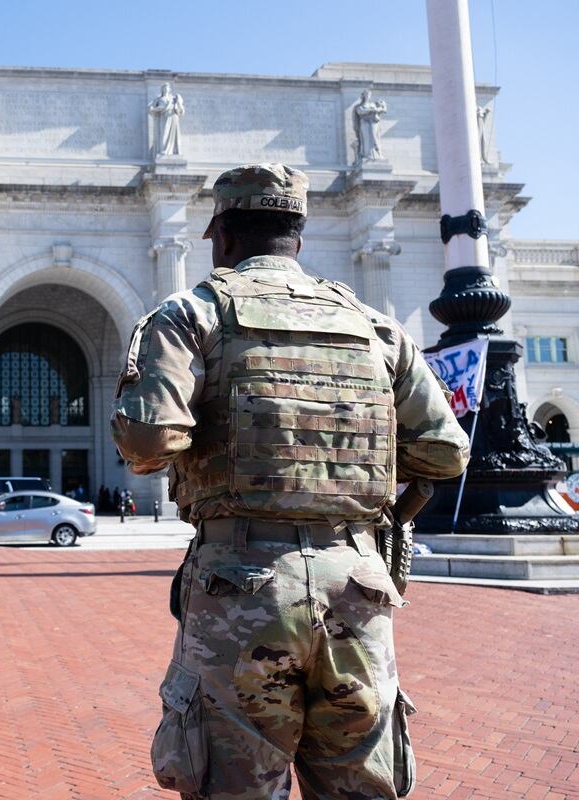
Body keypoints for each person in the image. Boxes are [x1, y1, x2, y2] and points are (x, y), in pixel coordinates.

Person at [111, 163, 470, 799]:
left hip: (239, 586)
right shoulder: (374, 324)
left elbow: (148, 443)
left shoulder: (192, 313)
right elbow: (445, 452)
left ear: (220, 233)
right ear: (298, 236)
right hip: (358, 586)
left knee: (237, 785)